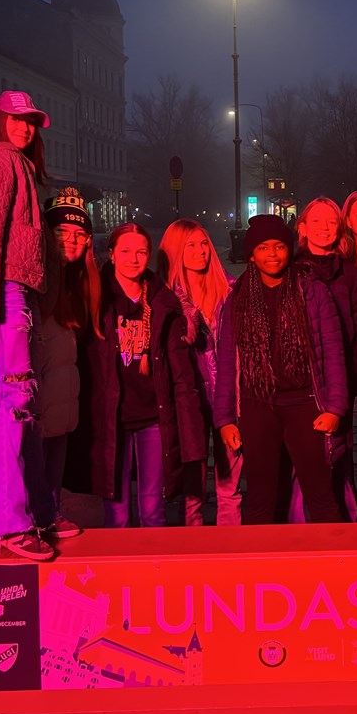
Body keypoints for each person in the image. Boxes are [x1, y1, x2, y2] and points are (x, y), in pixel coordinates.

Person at [214, 214, 349, 524]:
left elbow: (333, 351)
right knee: (260, 499)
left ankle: (334, 554)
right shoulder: (238, 299)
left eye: (279, 246)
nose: (272, 254)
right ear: (251, 255)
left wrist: (335, 408)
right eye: (263, 248)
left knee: (321, 495)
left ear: (289, 249)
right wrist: (225, 419)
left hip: (305, 403)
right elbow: (227, 363)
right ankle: (260, 556)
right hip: (257, 404)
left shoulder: (312, 291)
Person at [84, 223, 205, 527]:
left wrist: (190, 426)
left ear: (149, 255)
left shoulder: (162, 301)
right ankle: (118, 559)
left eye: (141, 252)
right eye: (125, 251)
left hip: (153, 419)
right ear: (112, 254)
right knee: (117, 512)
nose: (133, 259)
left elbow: (181, 371)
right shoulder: (96, 297)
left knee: (153, 508)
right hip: (113, 421)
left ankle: (155, 559)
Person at [0, 91, 55, 561]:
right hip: (3, 291)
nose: (26, 128)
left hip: (16, 291)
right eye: (17, 119)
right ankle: (8, 521)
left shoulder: (20, 164)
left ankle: (33, 512)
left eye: (31, 121)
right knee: (16, 396)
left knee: (20, 400)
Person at [158, 219, 242, 525]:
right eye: (190, 245)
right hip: (188, 401)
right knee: (192, 491)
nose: (201, 251)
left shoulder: (230, 291)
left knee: (230, 488)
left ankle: (230, 546)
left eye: (204, 243)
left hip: (227, 398)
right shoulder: (166, 300)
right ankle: (192, 545)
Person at [294, 197, 357, 520]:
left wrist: (348, 377)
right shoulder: (291, 270)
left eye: (331, 222)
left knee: (340, 456)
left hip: (339, 382)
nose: (324, 228)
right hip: (300, 385)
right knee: (301, 459)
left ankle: (343, 523)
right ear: (302, 228)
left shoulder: (349, 274)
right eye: (316, 221)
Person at [40, 187, 104, 537]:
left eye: (80, 234)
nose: (71, 240)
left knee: (52, 474)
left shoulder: (79, 284)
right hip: (39, 404)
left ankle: (50, 513)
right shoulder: (38, 281)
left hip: (62, 407)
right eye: (61, 231)